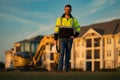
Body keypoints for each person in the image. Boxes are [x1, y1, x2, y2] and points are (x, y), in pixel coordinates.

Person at [54, 4, 80, 72]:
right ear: (64, 10)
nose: (67, 10)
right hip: (62, 39)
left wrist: (75, 35)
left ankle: (66, 70)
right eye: (66, 9)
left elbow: (78, 28)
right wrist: (55, 39)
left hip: (70, 39)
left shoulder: (74, 20)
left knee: (68, 54)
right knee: (62, 53)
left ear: (71, 10)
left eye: (69, 9)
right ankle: (59, 70)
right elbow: (56, 29)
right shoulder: (59, 19)